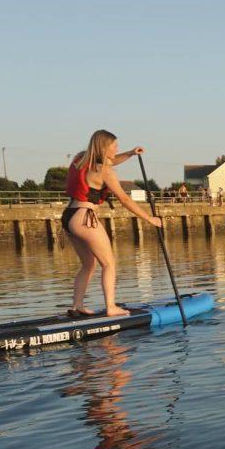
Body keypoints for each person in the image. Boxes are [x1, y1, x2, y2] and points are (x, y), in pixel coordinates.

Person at [63, 130, 162, 317]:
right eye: (114, 146)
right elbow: (124, 199)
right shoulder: (105, 171)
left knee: (88, 264)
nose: (117, 149)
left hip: (69, 216)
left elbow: (111, 159)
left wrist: (131, 153)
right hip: (85, 218)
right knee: (109, 264)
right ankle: (111, 307)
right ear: (103, 147)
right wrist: (149, 218)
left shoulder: (81, 159)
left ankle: (77, 306)